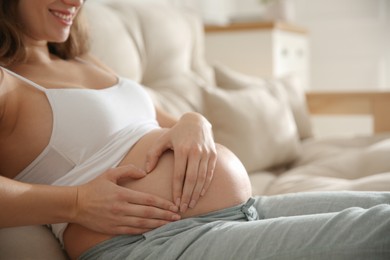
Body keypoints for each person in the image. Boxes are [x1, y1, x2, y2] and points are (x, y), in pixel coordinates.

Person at [0, 0, 389, 259]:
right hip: (148, 243)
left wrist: (194, 121)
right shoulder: (8, 81)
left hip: (239, 211)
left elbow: (165, 118)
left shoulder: (84, 59)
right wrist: (78, 202)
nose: (75, 1)